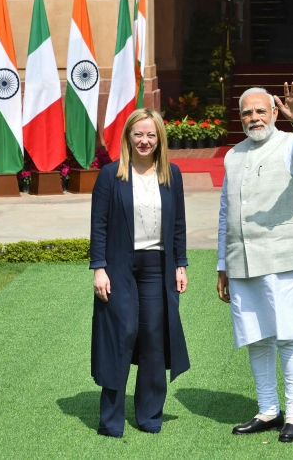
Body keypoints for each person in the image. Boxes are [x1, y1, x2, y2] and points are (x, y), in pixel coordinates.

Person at [217, 82, 293, 443]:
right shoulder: (233, 155)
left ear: (275, 113)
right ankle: (267, 410)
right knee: (257, 338)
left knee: (290, 337)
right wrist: (222, 264)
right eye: (247, 112)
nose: (254, 118)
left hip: (285, 259)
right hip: (242, 262)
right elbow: (225, 213)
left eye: (261, 110)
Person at [90, 108, 190, 437]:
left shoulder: (171, 175)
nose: (144, 141)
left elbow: (178, 226)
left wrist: (180, 264)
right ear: (128, 137)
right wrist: (99, 269)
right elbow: (99, 226)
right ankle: (111, 420)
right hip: (119, 266)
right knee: (122, 333)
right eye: (138, 134)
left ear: (159, 138)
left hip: (157, 266)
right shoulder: (110, 175)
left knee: (153, 339)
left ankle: (149, 417)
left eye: (150, 135)